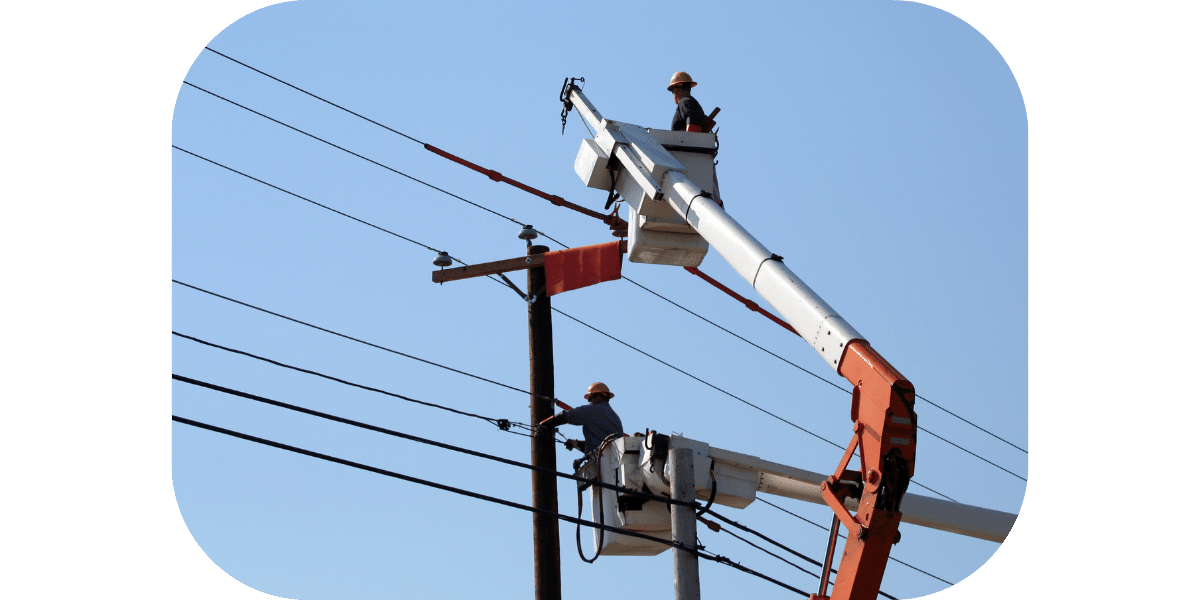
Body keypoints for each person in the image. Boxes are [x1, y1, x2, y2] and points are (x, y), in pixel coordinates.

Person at [538, 382, 624, 460]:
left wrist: (544, 424)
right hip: (614, 461)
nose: (589, 402)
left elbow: (567, 415)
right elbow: (600, 443)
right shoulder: (615, 418)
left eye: (590, 399)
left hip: (601, 461)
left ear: (599, 397)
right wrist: (577, 444)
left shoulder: (593, 410)